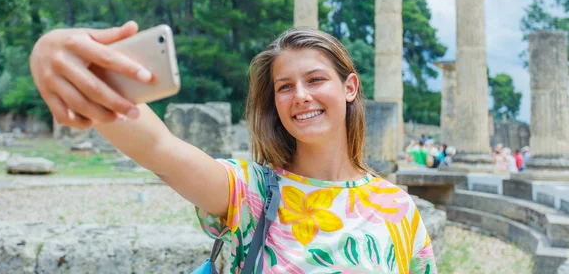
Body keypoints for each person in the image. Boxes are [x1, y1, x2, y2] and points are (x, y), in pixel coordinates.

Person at [30, 23, 437, 273]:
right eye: (284, 87)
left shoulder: (398, 207)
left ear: (349, 88)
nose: (300, 96)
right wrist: (53, 51)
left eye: (315, 80)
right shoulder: (250, 192)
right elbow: (158, 148)